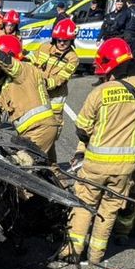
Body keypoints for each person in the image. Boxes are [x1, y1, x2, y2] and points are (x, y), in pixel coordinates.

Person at [59, 38, 135, 264]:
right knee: (109, 210)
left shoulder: (100, 92)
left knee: (84, 206)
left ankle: (73, 252)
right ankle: (96, 256)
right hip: (125, 166)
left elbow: (82, 127)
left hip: (95, 164)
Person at [0, 34, 60, 156]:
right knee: (44, 168)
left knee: (20, 168)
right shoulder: (8, 82)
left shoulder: (24, 70)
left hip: (38, 130)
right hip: (33, 131)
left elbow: (5, 61)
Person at [30, 18, 80, 162]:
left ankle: (52, 170)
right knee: (36, 132)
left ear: (72, 40)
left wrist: (42, 83)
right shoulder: (44, 47)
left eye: (66, 41)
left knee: (50, 135)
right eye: (59, 40)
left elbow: (61, 79)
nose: (62, 43)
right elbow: (29, 61)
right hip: (38, 96)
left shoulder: (73, 58)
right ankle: (49, 168)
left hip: (54, 100)